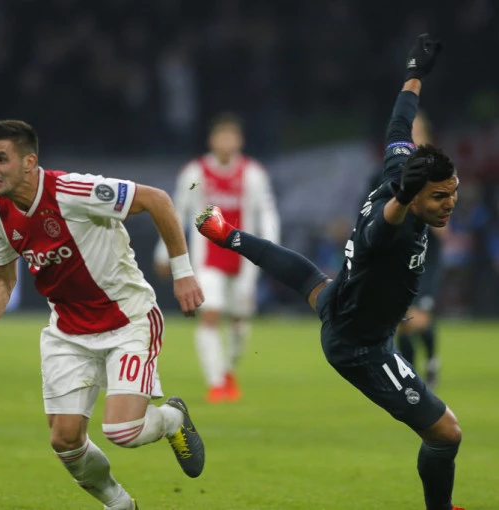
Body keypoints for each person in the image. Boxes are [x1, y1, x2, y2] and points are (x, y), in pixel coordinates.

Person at [195, 34, 463, 509]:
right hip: (362, 347)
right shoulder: (395, 227)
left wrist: (414, 74)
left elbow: (399, 122)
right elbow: (380, 231)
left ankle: (228, 234)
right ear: (414, 196)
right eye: (440, 197)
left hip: (343, 302)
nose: (450, 204)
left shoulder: (397, 168)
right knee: (446, 433)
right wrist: (403, 201)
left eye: (454, 192)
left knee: (311, 282)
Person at [0, 120, 206, 510]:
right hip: (68, 332)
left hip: (127, 320)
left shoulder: (73, 191)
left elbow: (157, 199)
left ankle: (172, 419)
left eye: (1, 159)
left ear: (29, 162)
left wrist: (183, 274)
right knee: (65, 440)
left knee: (122, 430)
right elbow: (2, 280)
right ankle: (119, 504)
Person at [154, 113, 280, 403]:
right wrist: (164, 252)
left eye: (231, 137)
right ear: (212, 141)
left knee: (239, 321)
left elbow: (267, 212)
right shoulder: (195, 173)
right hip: (207, 257)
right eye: (221, 136)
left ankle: (227, 371)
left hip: (244, 258)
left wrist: (272, 249)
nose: (226, 142)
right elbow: (177, 213)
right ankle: (216, 383)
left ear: (240, 141)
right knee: (210, 314)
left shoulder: (253, 173)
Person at [365, 110, 447, 387]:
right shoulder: (384, 171)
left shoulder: (438, 171)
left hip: (426, 255)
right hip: (396, 254)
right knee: (401, 319)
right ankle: (412, 377)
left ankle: (431, 360)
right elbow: (369, 210)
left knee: (418, 318)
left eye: (417, 130)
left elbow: (445, 223)